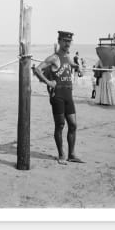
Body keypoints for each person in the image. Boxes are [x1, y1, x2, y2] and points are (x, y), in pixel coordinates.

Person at [34, 31, 84, 165]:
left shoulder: (67, 57)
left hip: (69, 95)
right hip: (58, 96)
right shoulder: (53, 57)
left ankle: (71, 154)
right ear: (59, 41)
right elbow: (37, 69)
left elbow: (69, 65)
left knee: (73, 125)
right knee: (60, 125)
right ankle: (61, 154)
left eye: (69, 41)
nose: (68, 44)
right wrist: (48, 82)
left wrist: (78, 67)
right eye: (65, 41)